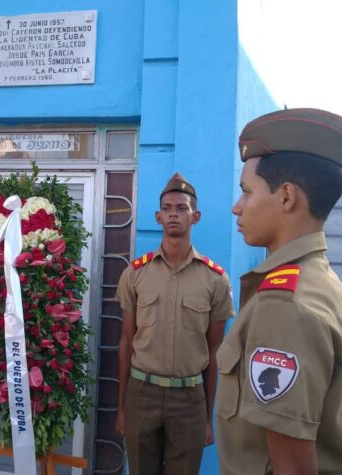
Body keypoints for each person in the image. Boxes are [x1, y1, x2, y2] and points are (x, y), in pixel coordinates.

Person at [216, 108, 342, 474]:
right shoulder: (319, 281)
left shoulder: (285, 304)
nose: (237, 207)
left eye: (246, 192)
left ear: (286, 197)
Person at [115, 172, 235, 474]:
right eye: (167, 208)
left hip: (189, 400)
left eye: (182, 208)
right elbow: (127, 343)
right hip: (142, 394)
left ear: (195, 216)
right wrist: (121, 408)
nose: (173, 214)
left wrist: (207, 416)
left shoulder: (215, 280)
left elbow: (214, 352)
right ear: (157, 216)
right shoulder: (135, 274)